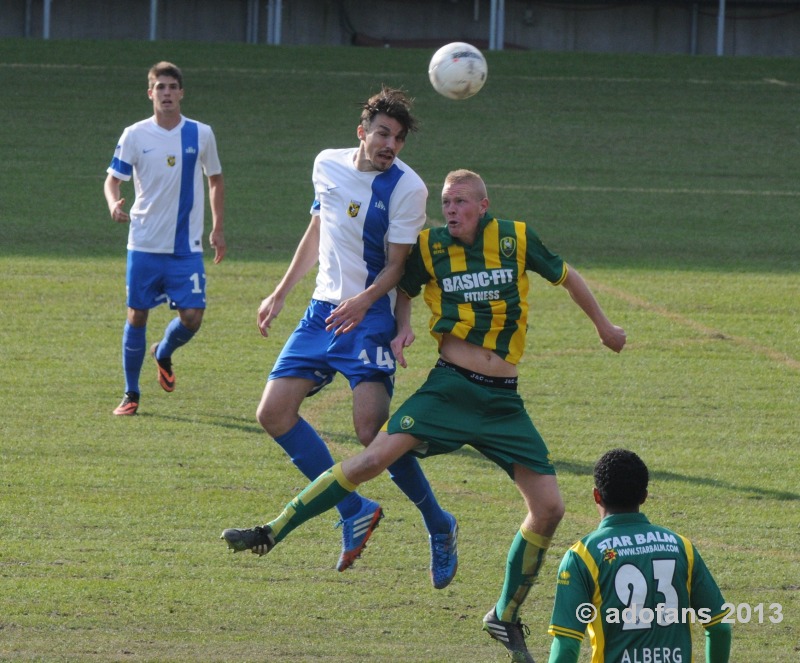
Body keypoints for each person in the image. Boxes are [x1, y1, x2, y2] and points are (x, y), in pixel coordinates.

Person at [222, 169, 626, 660]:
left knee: (550, 508)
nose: (451, 210)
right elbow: (403, 286)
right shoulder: (430, 247)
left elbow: (567, 277)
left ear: (483, 204)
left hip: (503, 401)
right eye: (446, 202)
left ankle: (504, 616)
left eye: (460, 202)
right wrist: (402, 327)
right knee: (372, 457)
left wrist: (604, 326)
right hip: (449, 390)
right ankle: (270, 531)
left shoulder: (516, 238)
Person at [252, 86, 457, 584]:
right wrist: (281, 291)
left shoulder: (408, 189)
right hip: (323, 309)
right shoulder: (326, 164)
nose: (390, 144)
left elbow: (397, 267)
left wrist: (366, 304)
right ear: (361, 133)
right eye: (383, 133)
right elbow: (318, 227)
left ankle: (439, 524)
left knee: (372, 433)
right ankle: (353, 510)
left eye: (399, 138)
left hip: (369, 316)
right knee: (273, 413)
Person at [104, 61, 226, 416]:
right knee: (137, 314)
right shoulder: (135, 135)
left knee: (193, 317)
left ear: (182, 93)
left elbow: (215, 178)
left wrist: (217, 228)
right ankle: (131, 393)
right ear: (150, 93)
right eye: (160, 87)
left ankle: (164, 352)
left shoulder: (201, 134)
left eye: (172, 86)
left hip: (186, 247)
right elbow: (113, 179)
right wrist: (113, 204)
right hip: (143, 243)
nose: (167, 93)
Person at [547, 448, 732, 663]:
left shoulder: (582, 556)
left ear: (596, 495)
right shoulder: (681, 547)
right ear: (644, 496)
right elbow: (720, 627)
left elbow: (567, 643)